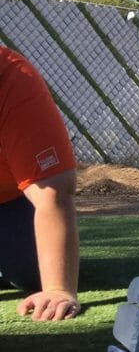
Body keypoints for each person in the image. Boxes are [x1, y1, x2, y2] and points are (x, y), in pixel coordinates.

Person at [0, 46, 81, 321]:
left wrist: (58, 288)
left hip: (8, 201)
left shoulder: (12, 79)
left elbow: (52, 191)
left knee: (32, 270)